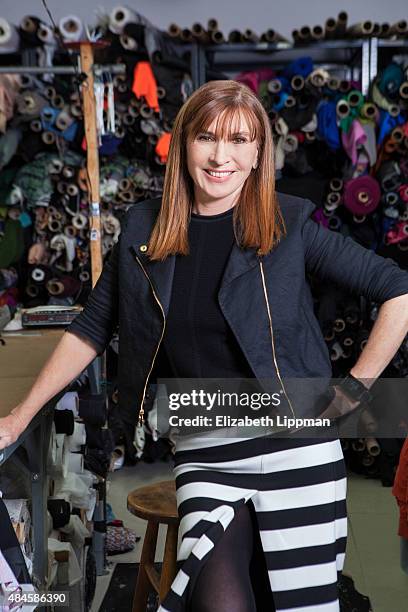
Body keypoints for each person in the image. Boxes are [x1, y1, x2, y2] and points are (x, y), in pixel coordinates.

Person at [1, 80, 408, 611]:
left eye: (240, 140)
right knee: (216, 600)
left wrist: (355, 388)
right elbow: (92, 327)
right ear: (182, 143)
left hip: (298, 445)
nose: (222, 157)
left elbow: (397, 289)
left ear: (260, 151)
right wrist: (18, 417)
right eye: (207, 138)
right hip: (205, 448)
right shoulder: (143, 229)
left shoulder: (290, 222)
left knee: (301, 602)